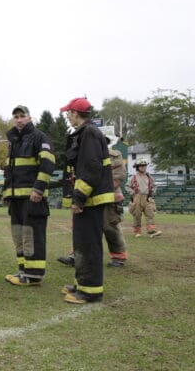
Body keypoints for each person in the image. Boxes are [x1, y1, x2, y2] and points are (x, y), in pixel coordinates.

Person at [60, 97, 115, 304]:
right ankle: (82, 284)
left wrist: (79, 198)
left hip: (91, 199)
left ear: (75, 113)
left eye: (68, 113)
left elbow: (91, 168)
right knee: (81, 244)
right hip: (90, 199)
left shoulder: (89, 133)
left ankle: (90, 291)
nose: (67, 116)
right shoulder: (86, 132)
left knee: (89, 244)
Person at [3, 105, 55, 286]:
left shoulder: (40, 137)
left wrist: (38, 189)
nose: (19, 119)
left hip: (33, 198)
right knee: (19, 235)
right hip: (15, 199)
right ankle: (23, 271)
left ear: (30, 118)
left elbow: (48, 164)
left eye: (22, 116)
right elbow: (10, 170)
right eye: (16, 116)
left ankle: (33, 275)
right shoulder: (13, 141)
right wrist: (7, 193)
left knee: (32, 236)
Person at [57, 136, 129, 267]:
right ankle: (77, 256)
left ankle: (118, 257)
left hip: (108, 198)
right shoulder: (80, 155)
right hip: (85, 198)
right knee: (81, 228)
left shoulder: (114, 155)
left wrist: (91, 189)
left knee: (110, 227)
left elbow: (118, 177)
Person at [125, 158, 162, 237]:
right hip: (137, 197)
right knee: (137, 215)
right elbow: (127, 186)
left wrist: (152, 193)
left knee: (150, 213)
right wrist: (133, 193)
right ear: (137, 167)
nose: (143, 167)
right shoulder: (133, 177)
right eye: (141, 165)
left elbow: (154, 186)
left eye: (144, 165)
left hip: (147, 197)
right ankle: (137, 232)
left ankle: (151, 230)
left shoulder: (149, 177)